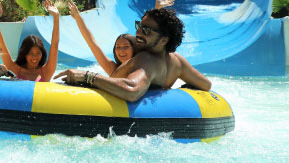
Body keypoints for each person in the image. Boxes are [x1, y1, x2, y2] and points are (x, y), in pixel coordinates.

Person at [54, 8, 210, 101]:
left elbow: (132, 91)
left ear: (164, 40)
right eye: (139, 26)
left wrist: (87, 76)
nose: (138, 32)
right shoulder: (177, 61)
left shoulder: (145, 59)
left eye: (146, 30)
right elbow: (205, 84)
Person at [0, 0, 60, 82]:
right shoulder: (14, 70)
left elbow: (55, 45)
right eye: (30, 53)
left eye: (38, 53)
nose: (34, 57)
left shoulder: (46, 71)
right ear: (24, 53)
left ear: (42, 53)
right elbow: (2, 48)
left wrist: (56, 17)